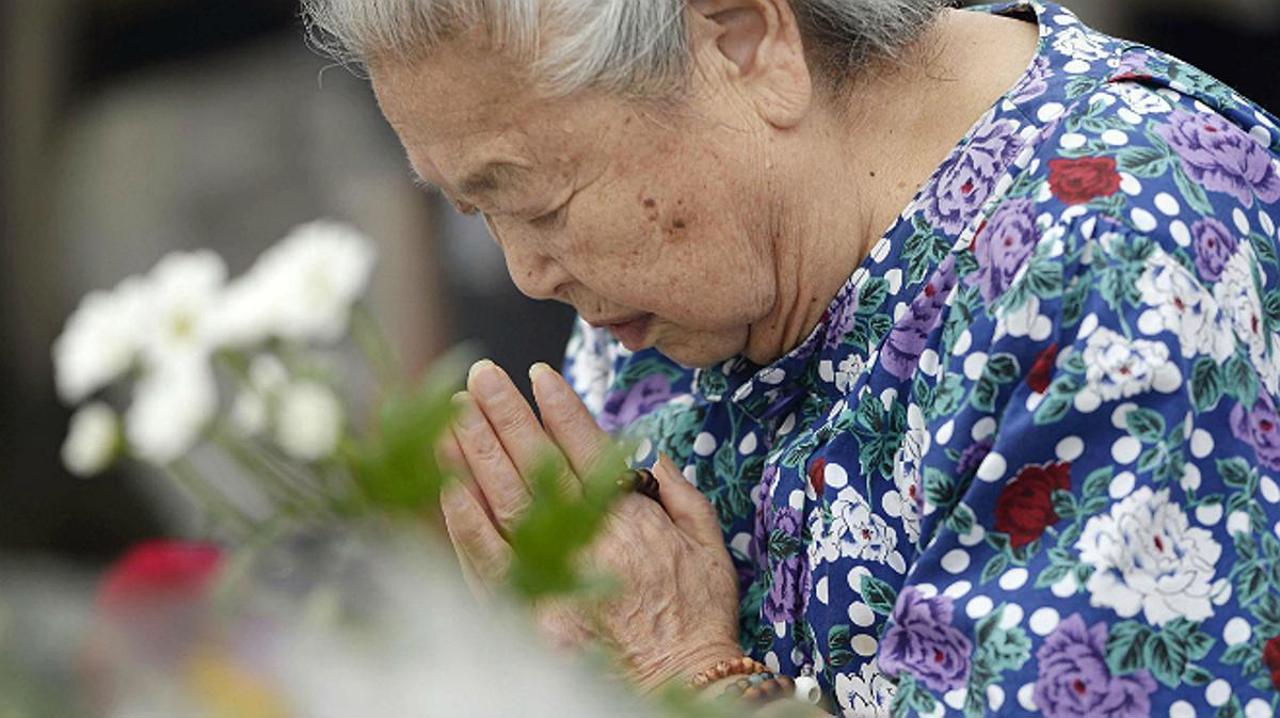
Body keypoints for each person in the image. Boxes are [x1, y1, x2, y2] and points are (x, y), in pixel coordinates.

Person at [302, 0, 1280, 715]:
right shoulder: (686, 285)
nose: (525, 273)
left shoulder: (1116, 257)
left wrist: (676, 670)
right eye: (477, 212)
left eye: (539, 201)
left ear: (746, 40)